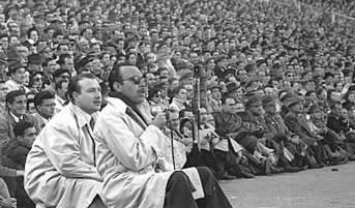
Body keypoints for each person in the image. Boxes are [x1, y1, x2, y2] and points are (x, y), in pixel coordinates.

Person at [95, 63, 233, 208]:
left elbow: (159, 153)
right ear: (117, 86)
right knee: (177, 180)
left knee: (203, 175)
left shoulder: (140, 109)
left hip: (148, 176)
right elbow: (134, 159)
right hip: (124, 184)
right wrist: (155, 128)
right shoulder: (110, 116)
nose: (142, 85)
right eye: (135, 81)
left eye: (143, 80)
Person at [24, 73, 106, 208]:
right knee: (99, 191)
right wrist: (106, 175)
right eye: (91, 91)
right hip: (49, 179)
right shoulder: (63, 122)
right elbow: (67, 165)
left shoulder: (97, 117)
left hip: (79, 175)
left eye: (98, 90)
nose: (98, 95)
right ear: (75, 96)